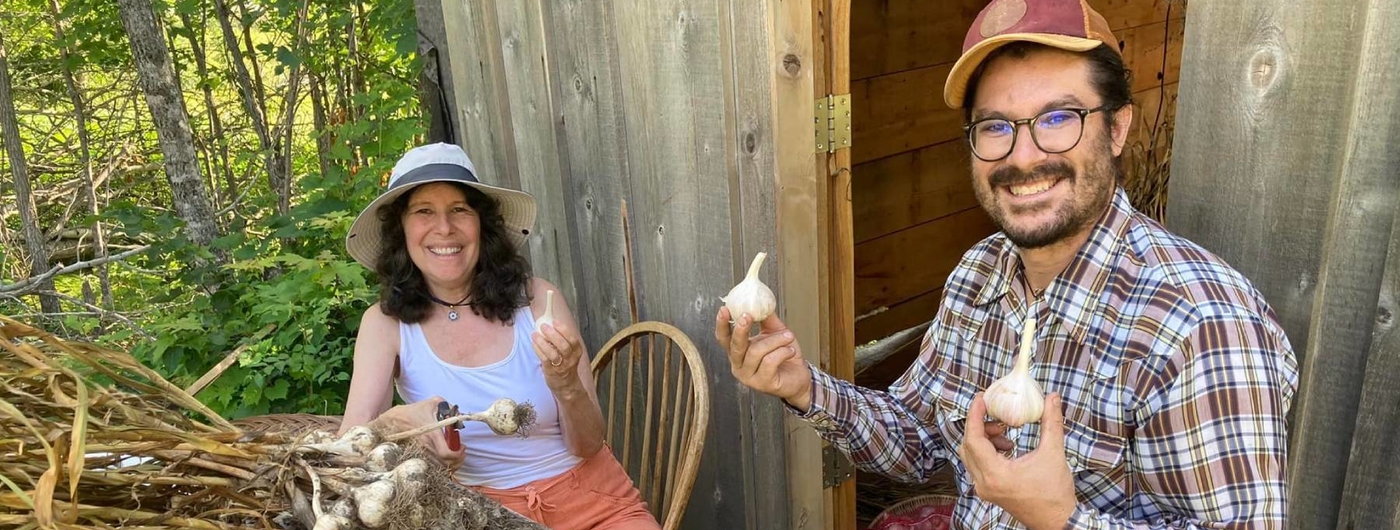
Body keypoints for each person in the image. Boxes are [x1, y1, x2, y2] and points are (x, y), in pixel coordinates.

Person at [716, 0, 1299, 528]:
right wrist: (802, 386)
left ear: (1117, 128)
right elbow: (920, 437)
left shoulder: (1201, 325)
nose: (1023, 157)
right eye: (995, 126)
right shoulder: (978, 275)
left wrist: (1061, 519)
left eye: (1057, 118)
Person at [339, 143, 660, 530]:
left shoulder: (538, 300)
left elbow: (588, 444)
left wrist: (567, 385)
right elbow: (348, 450)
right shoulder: (385, 325)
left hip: (592, 502)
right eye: (424, 211)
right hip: (475, 514)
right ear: (401, 230)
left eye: (459, 209)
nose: (444, 228)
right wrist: (401, 428)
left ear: (482, 224)